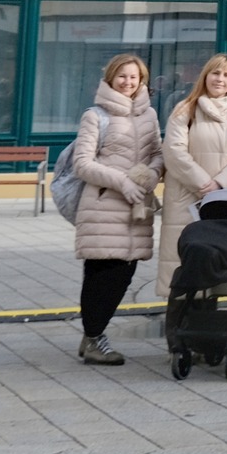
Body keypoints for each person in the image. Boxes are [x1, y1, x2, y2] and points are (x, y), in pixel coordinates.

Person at [70, 53, 163, 366]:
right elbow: (82, 163)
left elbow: (158, 154)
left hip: (137, 210)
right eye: (122, 76)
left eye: (134, 77)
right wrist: (122, 182)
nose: (128, 82)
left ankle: (93, 335)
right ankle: (95, 337)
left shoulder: (149, 115)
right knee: (101, 274)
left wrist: (152, 174)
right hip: (104, 206)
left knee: (124, 274)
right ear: (110, 78)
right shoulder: (95, 115)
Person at [156, 53, 227, 296]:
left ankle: (209, 324)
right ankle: (179, 327)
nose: (220, 79)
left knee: (213, 268)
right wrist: (204, 184)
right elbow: (173, 152)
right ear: (205, 76)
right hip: (185, 201)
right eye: (215, 73)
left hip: (222, 200)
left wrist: (219, 185)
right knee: (181, 267)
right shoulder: (185, 110)